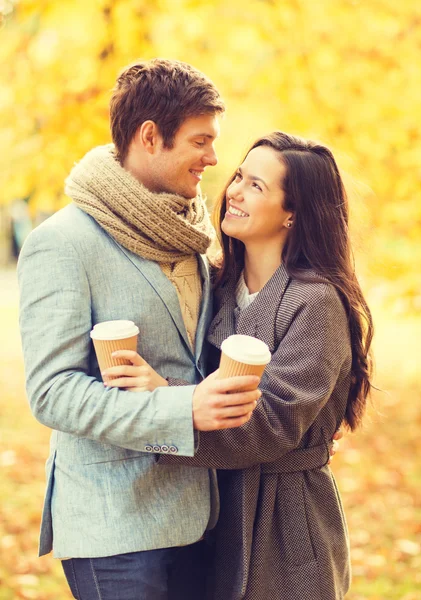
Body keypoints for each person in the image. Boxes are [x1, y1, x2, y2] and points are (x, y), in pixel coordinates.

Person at [17, 58, 263, 600]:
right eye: (200, 141)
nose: (214, 158)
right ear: (150, 137)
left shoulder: (187, 235)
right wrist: (184, 408)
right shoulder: (63, 243)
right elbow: (52, 393)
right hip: (115, 527)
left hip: (201, 516)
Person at [106, 131, 374, 600]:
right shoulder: (216, 284)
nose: (234, 191)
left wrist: (161, 398)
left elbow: (270, 425)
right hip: (206, 510)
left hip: (284, 523)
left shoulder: (315, 303)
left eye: (257, 186)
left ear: (294, 212)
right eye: (238, 177)